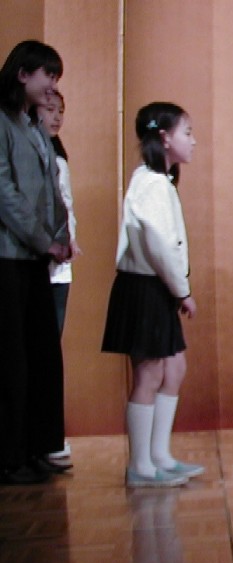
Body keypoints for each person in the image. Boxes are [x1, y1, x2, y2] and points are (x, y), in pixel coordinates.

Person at [101, 102, 203, 488]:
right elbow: (160, 245)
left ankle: (159, 456)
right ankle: (141, 466)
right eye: (187, 132)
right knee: (149, 372)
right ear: (165, 138)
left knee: (174, 368)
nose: (193, 141)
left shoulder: (159, 181)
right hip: (144, 287)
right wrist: (183, 290)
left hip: (156, 287)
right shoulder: (151, 182)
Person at [0, 40, 71, 485]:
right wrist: (44, 239)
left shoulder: (34, 126)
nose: (52, 86)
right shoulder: (2, 122)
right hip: (9, 256)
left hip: (35, 258)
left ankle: (35, 447)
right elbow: (5, 193)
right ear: (23, 73)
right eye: (48, 75)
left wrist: (60, 237)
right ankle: (10, 455)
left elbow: (51, 189)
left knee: (41, 356)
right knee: (11, 360)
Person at [37, 89, 80, 462]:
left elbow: (66, 205)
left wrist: (70, 240)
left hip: (59, 268)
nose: (56, 117)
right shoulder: (29, 152)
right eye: (49, 109)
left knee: (49, 353)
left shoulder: (58, 156)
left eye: (60, 111)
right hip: (36, 261)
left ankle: (48, 435)